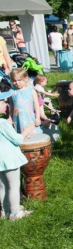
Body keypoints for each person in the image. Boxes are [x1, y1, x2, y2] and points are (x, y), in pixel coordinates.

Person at [0, 91, 32, 220]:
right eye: (2, 102)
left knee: (2, 186)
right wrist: (25, 131)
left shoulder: (3, 123)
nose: (5, 104)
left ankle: (4, 211)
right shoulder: (2, 123)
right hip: (9, 159)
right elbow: (17, 140)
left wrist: (11, 119)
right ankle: (15, 213)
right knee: (13, 185)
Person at [9, 68, 41, 136]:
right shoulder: (12, 91)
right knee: (20, 135)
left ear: (26, 78)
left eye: (19, 80)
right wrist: (10, 117)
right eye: (14, 80)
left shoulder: (31, 91)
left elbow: (36, 105)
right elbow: (11, 106)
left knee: (31, 134)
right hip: (17, 118)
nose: (17, 82)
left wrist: (37, 118)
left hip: (29, 117)